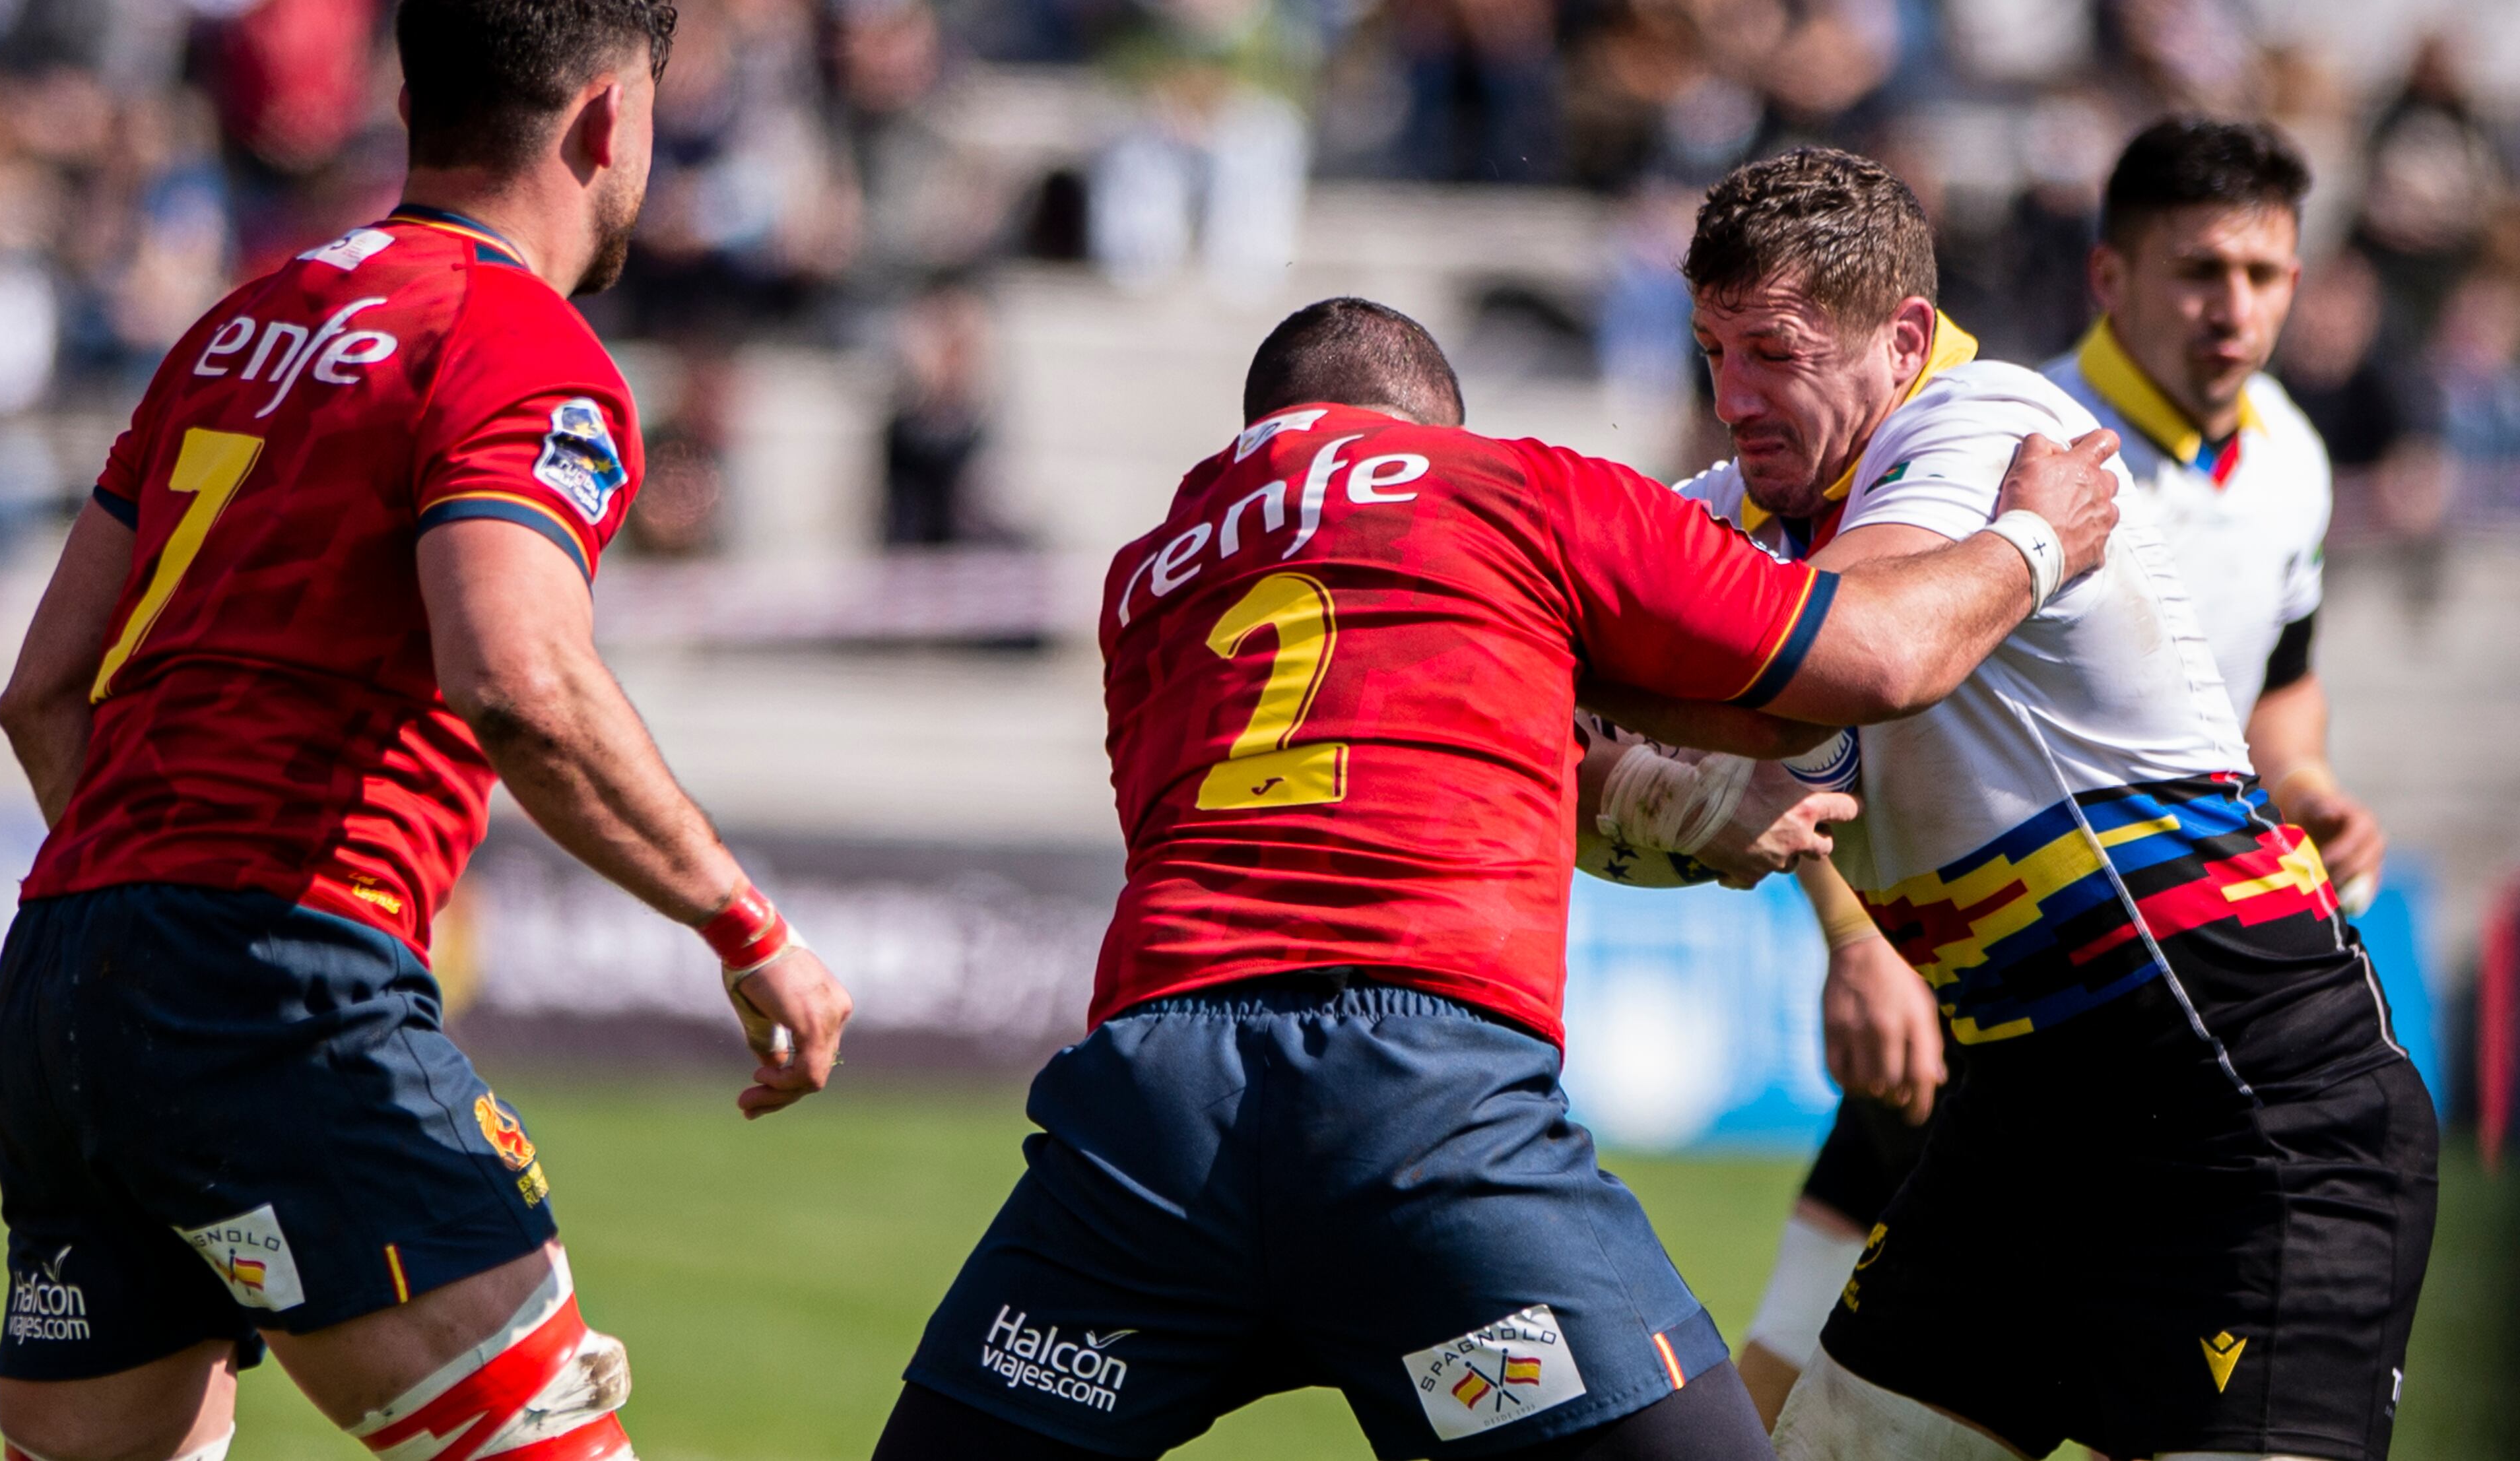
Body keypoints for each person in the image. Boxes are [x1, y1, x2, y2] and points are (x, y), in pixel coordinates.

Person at [871, 293, 2123, 1460]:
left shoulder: (1151, 577)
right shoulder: (1511, 487)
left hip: (1151, 1120)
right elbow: (1871, 659)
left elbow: (1366, 742)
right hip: (1416, 1114)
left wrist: (1661, 781)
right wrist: (2035, 540)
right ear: (1435, 426)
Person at [0, 0, 852, 1461]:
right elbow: (514, 677)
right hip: (277, 978)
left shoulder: (239, 326)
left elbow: (44, 694)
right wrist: (749, 926)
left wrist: (147, 931)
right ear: (608, 120)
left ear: (410, 102)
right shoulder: (517, 341)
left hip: (64, 979)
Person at [1603, 148, 2431, 1461]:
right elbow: (1597, 616)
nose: (1730, 398)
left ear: (1905, 339)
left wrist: (1607, 727)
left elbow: (1833, 669)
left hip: (2243, 1098)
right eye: (1711, 351)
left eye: (1771, 353)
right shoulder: (1762, 505)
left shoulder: (1988, 427)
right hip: (2023, 1114)